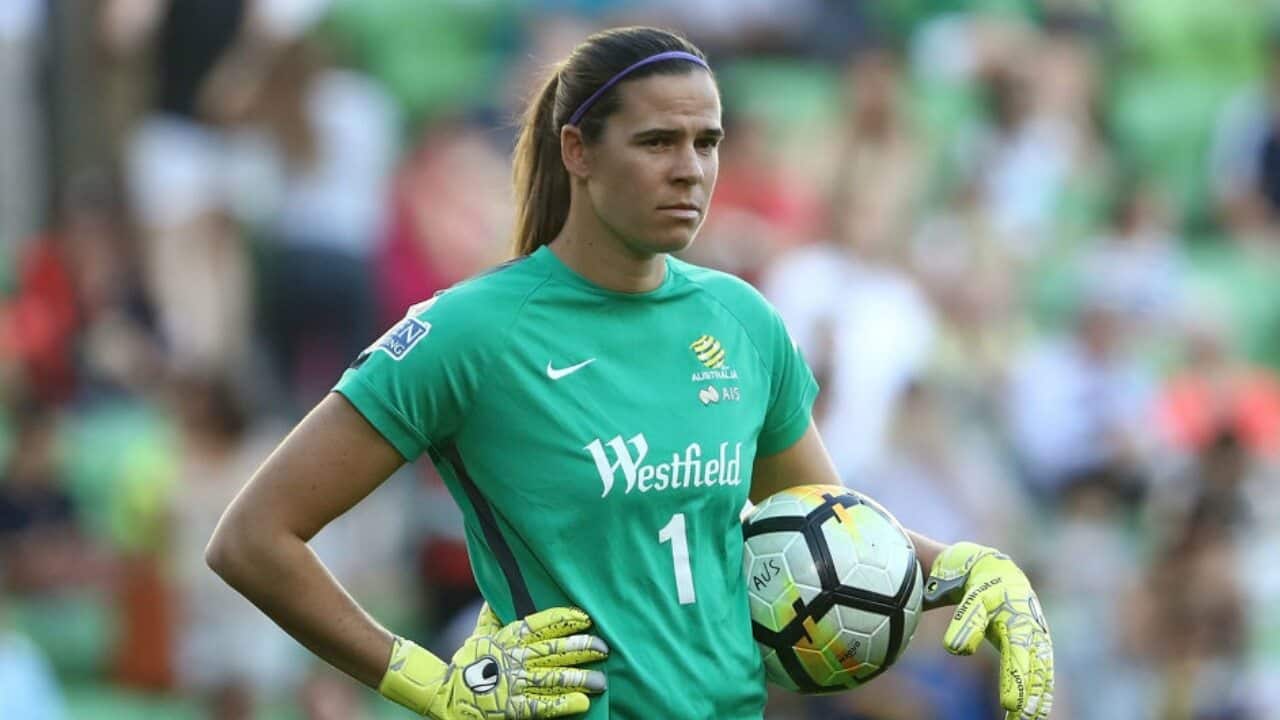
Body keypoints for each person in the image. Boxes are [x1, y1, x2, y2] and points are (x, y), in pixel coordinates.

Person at [207, 26, 1053, 720]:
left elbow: (831, 542)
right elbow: (253, 539)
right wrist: (431, 685)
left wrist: (972, 570)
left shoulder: (744, 321)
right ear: (577, 149)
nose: (690, 169)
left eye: (707, 142)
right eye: (657, 141)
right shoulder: (469, 333)